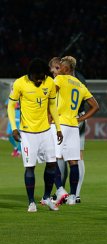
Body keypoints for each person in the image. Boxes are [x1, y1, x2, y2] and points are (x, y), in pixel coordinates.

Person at [7, 58, 63, 212]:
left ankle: (46, 198)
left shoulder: (49, 82)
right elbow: (11, 107)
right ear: (30, 74)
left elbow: (52, 105)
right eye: (36, 77)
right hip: (27, 133)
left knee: (52, 163)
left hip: (46, 131)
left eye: (42, 77)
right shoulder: (20, 83)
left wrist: (58, 128)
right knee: (30, 167)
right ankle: (31, 202)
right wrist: (14, 128)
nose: (39, 80)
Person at [52, 56, 99, 205]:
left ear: (67, 68)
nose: (59, 69)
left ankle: (60, 190)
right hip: (73, 125)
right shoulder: (80, 84)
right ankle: (73, 196)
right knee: (73, 162)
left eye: (61, 67)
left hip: (59, 124)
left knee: (53, 160)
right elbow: (96, 106)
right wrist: (81, 119)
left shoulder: (60, 80)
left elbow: (49, 96)